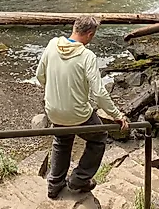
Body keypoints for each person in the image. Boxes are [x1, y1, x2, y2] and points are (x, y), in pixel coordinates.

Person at [35, 15, 129, 199]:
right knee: (99, 137)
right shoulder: (87, 56)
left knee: (62, 140)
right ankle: (79, 179)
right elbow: (100, 93)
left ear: (74, 27)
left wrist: (54, 93)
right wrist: (117, 115)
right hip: (79, 115)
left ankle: (54, 185)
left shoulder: (52, 45)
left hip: (54, 111)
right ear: (90, 34)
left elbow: (40, 76)